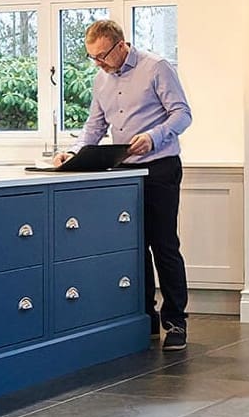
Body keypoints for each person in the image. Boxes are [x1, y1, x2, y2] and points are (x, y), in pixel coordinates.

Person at [54, 19, 193, 352]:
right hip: (124, 174)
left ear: (121, 45)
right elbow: (94, 127)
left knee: (164, 245)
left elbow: (182, 114)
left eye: (103, 56)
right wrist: (73, 153)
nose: (99, 63)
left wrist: (154, 136)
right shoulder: (101, 79)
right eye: (93, 57)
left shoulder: (156, 67)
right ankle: (144, 318)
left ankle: (175, 322)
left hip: (160, 167)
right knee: (133, 248)